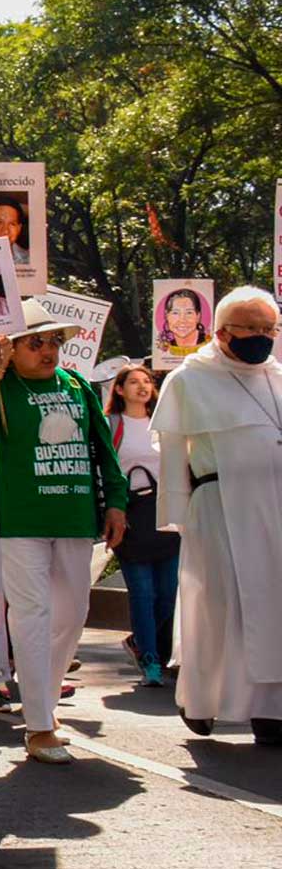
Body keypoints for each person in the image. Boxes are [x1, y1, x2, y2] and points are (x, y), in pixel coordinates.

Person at [0, 299, 128, 763]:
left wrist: (116, 503)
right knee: (32, 613)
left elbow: (104, 449)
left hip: (74, 518)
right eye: (36, 342)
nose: (48, 351)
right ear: (13, 347)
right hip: (18, 519)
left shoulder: (78, 385)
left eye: (54, 342)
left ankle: (40, 702)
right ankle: (40, 726)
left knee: (72, 613)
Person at [151, 287, 282, 745]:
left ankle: (272, 711)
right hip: (219, 507)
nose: (263, 338)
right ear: (224, 332)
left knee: (275, 607)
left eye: (270, 329)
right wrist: (176, 514)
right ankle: (201, 698)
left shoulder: (278, 376)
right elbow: (171, 452)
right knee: (221, 607)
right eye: (252, 329)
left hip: (276, 509)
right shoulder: (190, 380)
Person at [106, 364, 180, 687]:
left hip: (166, 515)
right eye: (133, 382)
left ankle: (138, 640)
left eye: (146, 381)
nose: (142, 386)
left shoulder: (164, 422)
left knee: (168, 592)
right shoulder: (112, 425)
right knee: (143, 593)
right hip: (129, 515)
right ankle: (150, 659)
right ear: (119, 390)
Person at [159, 288, 207, 356]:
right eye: (175, 313)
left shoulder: (208, 346)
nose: (182, 320)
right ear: (166, 316)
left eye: (189, 313)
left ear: (198, 316)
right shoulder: (168, 346)